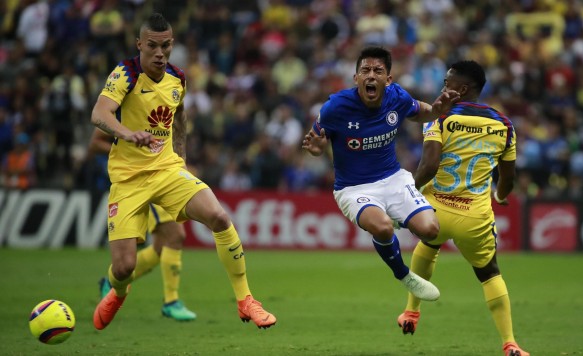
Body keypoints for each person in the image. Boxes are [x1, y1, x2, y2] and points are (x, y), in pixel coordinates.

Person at [90, 13, 276, 330]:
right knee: (123, 267)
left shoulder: (178, 78)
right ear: (139, 45)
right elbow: (99, 113)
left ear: (172, 45)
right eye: (152, 46)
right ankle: (118, 292)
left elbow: (179, 117)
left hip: (167, 170)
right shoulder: (126, 74)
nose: (160, 53)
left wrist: (181, 157)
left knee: (218, 216)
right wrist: (127, 133)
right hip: (128, 180)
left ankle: (246, 301)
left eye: (166, 46)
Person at [302, 46, 460, 305]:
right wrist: (318, 150)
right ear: (356, 78)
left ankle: (395, 218)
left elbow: (424, 112)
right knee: (383, 227)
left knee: (430, 230)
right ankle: (403, 274)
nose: (371, 76)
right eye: (365, 70)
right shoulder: (335, 107)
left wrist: (437, 110)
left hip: (394, 179)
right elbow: (316, 143)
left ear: (388, 79)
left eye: (378, 71)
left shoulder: (397, 97)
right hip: (354, 188)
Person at [398, 60, 529, 356]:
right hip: (475, 216)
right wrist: (501, 194)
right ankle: (510, 342)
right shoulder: (503, 124)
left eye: (448, 83)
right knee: (490, 273)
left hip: (437, 210)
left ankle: (411, 312)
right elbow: (508, 178)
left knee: (429, 244)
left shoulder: (440, 116)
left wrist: (407, 191)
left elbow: (429, 165)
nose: (443, 87)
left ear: (462, 88)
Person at [89, 128, 197, 321]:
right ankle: (171, 302)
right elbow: (95, 142)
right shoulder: (122, 102)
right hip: (141, 178)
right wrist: (132, 150)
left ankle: (112, 282)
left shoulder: (165, 101)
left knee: (159, 248)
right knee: (176, 235)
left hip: (167, 174)